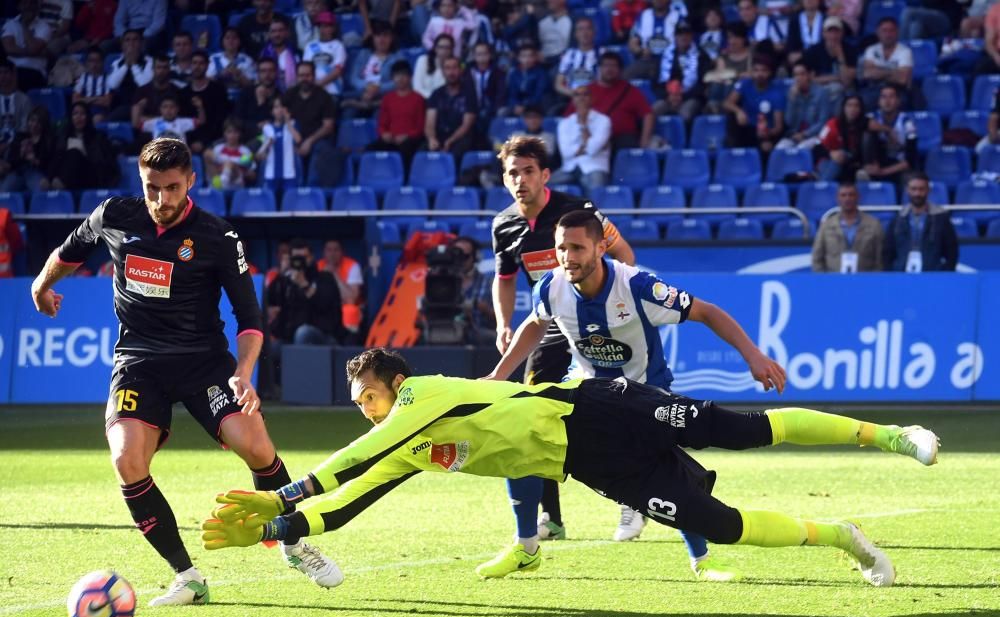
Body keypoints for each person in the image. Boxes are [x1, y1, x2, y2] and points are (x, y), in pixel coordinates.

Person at [202, 347, 940, 591]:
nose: (366, 411)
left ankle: (890, 436)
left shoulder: (424, 397)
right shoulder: (401, 438)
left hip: (598, 407)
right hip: (590, 462)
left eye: (369, 396)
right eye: (359, 402)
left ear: (395, 384)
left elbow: (355, 458)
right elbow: (358, 492)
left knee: (740, 430)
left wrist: (293, 484)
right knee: (720, 524)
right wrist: (284, 521)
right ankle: (843, 537)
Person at [29, 137, 341, 606]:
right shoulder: (115, 215)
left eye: (173, 188)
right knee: (126, 462)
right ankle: (187, 576)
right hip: (138, 361)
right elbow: (69, 251)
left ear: (191, 181)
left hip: (203, 363)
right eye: (153, 188)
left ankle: (293, 544)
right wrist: (40, 286)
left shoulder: (218, 236)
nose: (162, 200)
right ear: (142, 181)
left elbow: (250, 318)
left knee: (256, 445)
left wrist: (244, 373)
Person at [483, 209, 793, 576]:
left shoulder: (639, 287)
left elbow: (707, 312)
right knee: (523, 439)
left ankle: (702, 559)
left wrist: (754, 356)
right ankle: (526, 547)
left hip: (645, 399)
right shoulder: (551, 287)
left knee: (671, 484)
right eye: (561, 248)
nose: (568, 257)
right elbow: (535, 324)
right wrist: (500, 374)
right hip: (584, 394)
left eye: (578, 248)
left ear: (601, 248)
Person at [490, 135, 635, 571]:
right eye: (513, 173)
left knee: (620, 408)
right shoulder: (504, 225)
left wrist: (622, 308)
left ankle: (633, 499)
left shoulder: (578, 213)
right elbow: (505, 278)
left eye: (528, 171)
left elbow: (624, 254)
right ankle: (550, 517)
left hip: (601, 316)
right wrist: (502, 323)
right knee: (536, 409)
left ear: (545, 175)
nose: (520, 180)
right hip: (551, 324)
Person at [266, 237, 345, 351]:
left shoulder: (324, 277)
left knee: (303, 333)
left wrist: (304, 284)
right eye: (296, 258)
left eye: (304, 258)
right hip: (290, 337)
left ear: (311, 257)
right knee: (269, 348)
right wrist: (281, 275)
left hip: (323, 335)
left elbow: (324, 304)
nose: (300, 262)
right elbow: (270, 300)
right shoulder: (286, 280)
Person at [577, 52, 653, 151]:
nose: (609, 69)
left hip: (622, 139)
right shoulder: (586, 91)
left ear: (620, 70)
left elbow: (648, 114)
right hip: (594, 137)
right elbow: (572, 116)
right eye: (606, 65)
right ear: (599, 68)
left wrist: (644, 141)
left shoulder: (630, 90)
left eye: (613, 66)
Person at [884, 172, 958, 273]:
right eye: (913, 189)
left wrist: (944, 274)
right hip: (901, 276)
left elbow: (952, 252)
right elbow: (888, 252)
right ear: (907, 190)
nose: (917, 193)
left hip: (932, 276)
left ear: (928, 190)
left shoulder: (941, 218)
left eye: (921, 189)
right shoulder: (898, 218)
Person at [552, 83, 612, 196]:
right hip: (570, 167)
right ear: (573, 99)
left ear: (591, 98)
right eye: (577, 95)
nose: (581, 98)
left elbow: (592, 149)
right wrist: (587, 143)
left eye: (585, 94)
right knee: (544, 186)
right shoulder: (565, 123)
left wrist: (584, 125)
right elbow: (566, 153)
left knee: (595, 191)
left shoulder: (603, 120)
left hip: (595, 166)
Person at [811, 182, 883, 272]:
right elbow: (817, 257)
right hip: (833, 280)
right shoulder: (827, 225)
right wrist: (823, 280)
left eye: (851, 195)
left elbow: (880, 258)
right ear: (838, 198)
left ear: (858, 197)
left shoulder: (873, 224)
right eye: (843, 195)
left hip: (864, 280)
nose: (847, 198)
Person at [368, 59, 425, 170]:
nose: (400, 79)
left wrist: (407, 136)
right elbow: (382, 123)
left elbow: (420, 126)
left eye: (404, 75)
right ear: (392, 78)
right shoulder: (387, 99)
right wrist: (384, 133)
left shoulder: (418, 99)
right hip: (391, 138)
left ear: (410, 77)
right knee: (370, 150)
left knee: (406, 149)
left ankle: (403, 181)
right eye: (397, 75)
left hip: (410, 139)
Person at [723, 54, 785, 154]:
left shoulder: (777, 94)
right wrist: (739, 111)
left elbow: (778, 127)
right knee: (731, 117)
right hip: (746, 129)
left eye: (764, 70)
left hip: (764, 133)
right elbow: (727, 103)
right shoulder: (745, 84)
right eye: (756, 70)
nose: (759, 74)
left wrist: (767, 134)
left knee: (766, 148)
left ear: (770, 73)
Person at [49, 102, 120, 191]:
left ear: (87, 116)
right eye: (75, 114)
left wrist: (84, 153)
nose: (78, 117)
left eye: (82, 113)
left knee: (74, 153)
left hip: (90, 175)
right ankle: (53, 183)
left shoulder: (98, 137)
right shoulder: (64, 136)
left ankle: (60, 185)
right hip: (69, 176)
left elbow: (103, 164)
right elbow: (57, 159)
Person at [654, 20, 710, 125]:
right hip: (668, 98)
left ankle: (686, 141)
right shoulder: (665, 55)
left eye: (687, 34)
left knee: (685, 114)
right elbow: (656, 82)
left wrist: (682, 96)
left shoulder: (702, 55)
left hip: (691, 97)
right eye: (680, 34)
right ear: (675, 36)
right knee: (653, 112)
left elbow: (704, 83)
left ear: (692, 36)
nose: (683, 37)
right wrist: (668, 96)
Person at [425, 55, 477, 168]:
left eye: (454, 68)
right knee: (423, 150)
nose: (451, 72)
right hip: (440, 135)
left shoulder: (469, 94)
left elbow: (466, 125)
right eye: (447, 68)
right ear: (443, 72)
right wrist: (431, 138)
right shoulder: (436, 94)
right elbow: (430, 122)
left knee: (458, 150)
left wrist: (450, 141)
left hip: (460, 137)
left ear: (460, 70)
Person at [861, 84, 917, 187]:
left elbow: (910, 160)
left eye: (891, 97)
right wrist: (887, 130)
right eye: (884, 97)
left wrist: (883, 172)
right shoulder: (872, 117)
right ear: (878, 101)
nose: (887, 101)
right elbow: (862, 124)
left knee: (910, 181)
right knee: (866, 135)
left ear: (898, 101)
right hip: (876, 162)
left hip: (898, 165)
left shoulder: (907, 123)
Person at [775, 61, 829, 152]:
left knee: (802, 150)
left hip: (814, 136)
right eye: (795, 75)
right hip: (794, 136)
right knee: (779, 150)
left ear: (810, 75)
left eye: (802, 74)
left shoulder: (821, 93)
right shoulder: (791, 93)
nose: (798, 78)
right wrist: (792, 100)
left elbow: (823, 122)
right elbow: (789, 122)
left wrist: (805, 134)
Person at [626, 0, 687, 81]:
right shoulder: (643, 16)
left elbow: (685, 42)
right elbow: (632, 42)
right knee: (624, 78)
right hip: (647, 61)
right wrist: (641, 51)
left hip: (671, 62)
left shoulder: (678, 17)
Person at [860, 17, 913, 111]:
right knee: (862, 101)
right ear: (878, 32)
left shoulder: (905, 51)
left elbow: (902, 79)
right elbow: (868, 74)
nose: (888, 34)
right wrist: (893, 72)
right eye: (884, 31)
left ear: (897, 32)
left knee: (901, 101)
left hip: (897, 90)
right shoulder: (871, 50)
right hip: (875, 89)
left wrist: (878, 71)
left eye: (891, 30)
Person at [803, 16, 857, 108]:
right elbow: (810, 79)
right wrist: (836, 78)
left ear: (842, 33)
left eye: (836, 31)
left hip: (844, 91)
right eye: (830, 31)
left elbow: (847, 81)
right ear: (823, 33)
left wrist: (840, 56)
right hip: (820, 90)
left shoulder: (850, 50)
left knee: (841, 91)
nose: (833, 35)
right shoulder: (813, 51)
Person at [317, 238, 365, 338]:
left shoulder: (352, 266)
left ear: (342, 252)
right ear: (324, 252)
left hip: (345, 309)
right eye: (329, 250)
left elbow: (351, 299)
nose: (332, 254)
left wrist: (334, 274)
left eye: (336, 250)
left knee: (350, 310)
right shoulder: (318, 267)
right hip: (324, 310)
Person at [2, 0, 53, 92]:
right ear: (18, 7)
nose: (28, 6)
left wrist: (24, 25)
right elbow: (8, 49)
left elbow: (33, 48)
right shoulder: (10, 24)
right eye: (25, 3)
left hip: (34, 72)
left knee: (18, 77)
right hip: (11, 70)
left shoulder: (45, 27)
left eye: (32, 3)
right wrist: (33, 52)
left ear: (37, 6)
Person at [256, 95, 302, 195]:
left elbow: (298, 140)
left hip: (289, 172)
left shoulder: (293, 124)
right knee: (269, 202)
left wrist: (288, 122)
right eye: (276, 107)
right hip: (271, 172)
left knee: (290, 202)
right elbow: (261, 152)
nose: (280, 110)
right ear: (272, 111)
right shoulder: (267, 128)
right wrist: (268, 144)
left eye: (282, 106)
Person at [815, 93, 867, 182]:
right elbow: (817, 148)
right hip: (827, 160)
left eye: (856, 106)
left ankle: (821, 188)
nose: (852, 109)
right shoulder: (832, 124)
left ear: (861, 109)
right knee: (835, 163)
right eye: (849, 105)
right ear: (843, 108)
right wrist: (831, 153)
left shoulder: (865, 126)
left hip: (851, 163)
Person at [106, 30, 155, 122]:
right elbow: (112, 84)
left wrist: (133, 65)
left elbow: (144, 84)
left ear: (141, 43)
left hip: (144, 105)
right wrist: (126, 65)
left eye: (135, 40)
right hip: (123, 104)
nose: (131, 43)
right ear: (122, 44)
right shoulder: (117, 63)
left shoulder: (149, 61)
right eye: (127, 40)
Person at [205, 117, 257, 190]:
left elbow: (252, 175)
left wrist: (242, 171)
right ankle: (216, 186)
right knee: (207, 154)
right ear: (224, 133)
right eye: (229, 132)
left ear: (240, 134)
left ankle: (222, 184)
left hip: (236, 183)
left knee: (230, 164)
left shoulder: (245, 151)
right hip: (217, 180)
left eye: (235, 132)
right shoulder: (218, 148)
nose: (232, 135)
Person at [303, 11, 347, 97]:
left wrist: (319, 84)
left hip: (332, 91)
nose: (323, 29)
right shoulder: (310, 46)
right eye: (321, 26)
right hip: (312, 91)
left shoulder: (338, 46)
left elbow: (338, 71)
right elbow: (305, 69)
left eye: (327, 26)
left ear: (333, 28)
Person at [233, 56, 280, 137]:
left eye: (271, 71)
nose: (267, 75)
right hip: (246, 138)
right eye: (263, 71)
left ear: (276, 73)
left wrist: (262, 104)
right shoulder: (246, 93)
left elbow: (279, 122)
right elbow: (237, 120)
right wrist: (256, 126)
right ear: (258, 73)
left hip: (271, 138)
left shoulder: (281, 96)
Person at [504, 42, 549, 117]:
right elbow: (512, 94)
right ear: (518, 58)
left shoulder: (541, 73)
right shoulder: (514, 73)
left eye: (530, 56)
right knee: (503, 112)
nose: (527, 59)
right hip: (517, 106)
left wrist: (525, 106)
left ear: (535, 58)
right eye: (523, 56)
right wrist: (516, 105)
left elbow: (539, 94)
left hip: (535, 105)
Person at [208, 27, 257, 92]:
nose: (231, 41)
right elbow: (207, 81)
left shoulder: (247, 60)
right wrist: (220, 75)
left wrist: (239, 75)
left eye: (234, 38)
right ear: (222, 41)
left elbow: (251, 85)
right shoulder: (213, 58)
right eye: (227, 38)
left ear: (239, 41)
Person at [413, 33, 454, 99]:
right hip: (424, 100)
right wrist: (434, 99)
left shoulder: (454, 66)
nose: (444, 51)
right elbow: (417, 88)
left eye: (447, 48)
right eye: (441, 47)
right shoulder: (423, 60)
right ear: (435, 48)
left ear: (451, 50)